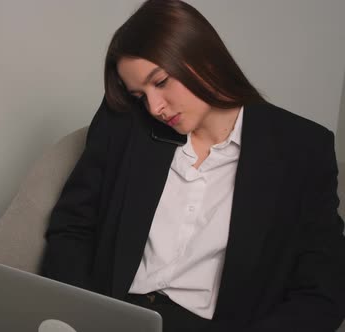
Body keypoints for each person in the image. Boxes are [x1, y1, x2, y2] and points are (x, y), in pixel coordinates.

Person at [40, 0, 345, 331]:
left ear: (204, 59)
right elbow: (71, 227)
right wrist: (81, 315)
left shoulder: (301, 148)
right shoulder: (127, 124)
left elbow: (323, 289)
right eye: (141, 95)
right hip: (115, 314)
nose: (155, 107)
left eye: (160, 82)